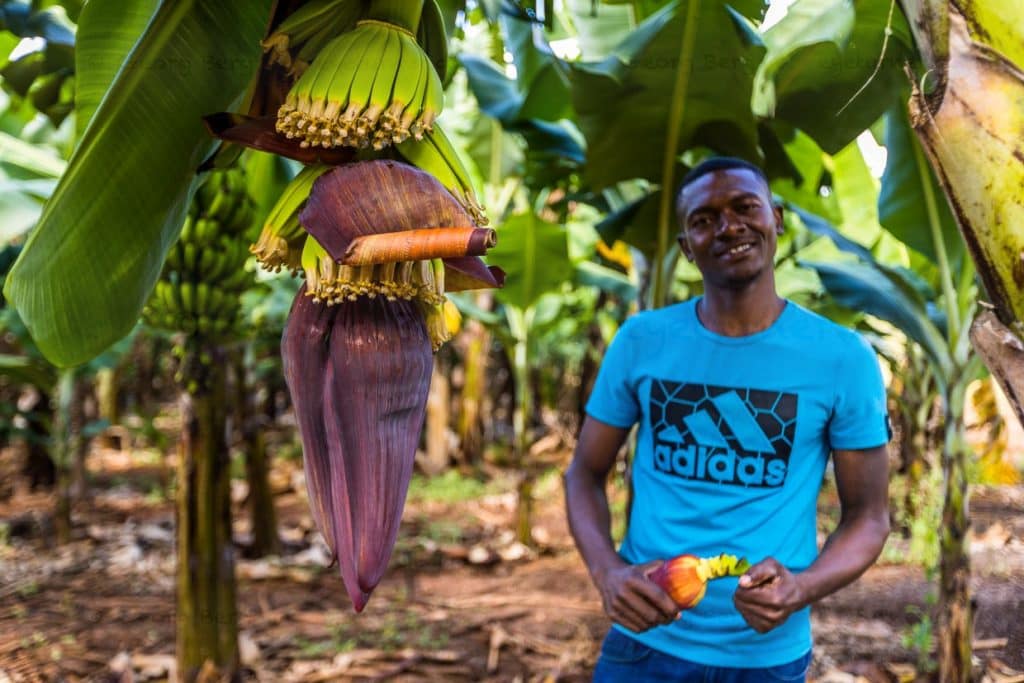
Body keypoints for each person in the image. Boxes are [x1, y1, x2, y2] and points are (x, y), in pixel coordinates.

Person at [564, 157, 891, 681]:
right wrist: (607, 573)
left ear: (777, 218)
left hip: (765, 656)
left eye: (744, 207)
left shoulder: (841, 358)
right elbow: (583, 473)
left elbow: (869, 517)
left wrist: (801, 587)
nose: (729, 227)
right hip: (643, 644)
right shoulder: (642, 341)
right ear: (685, 248)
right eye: (704, 219)